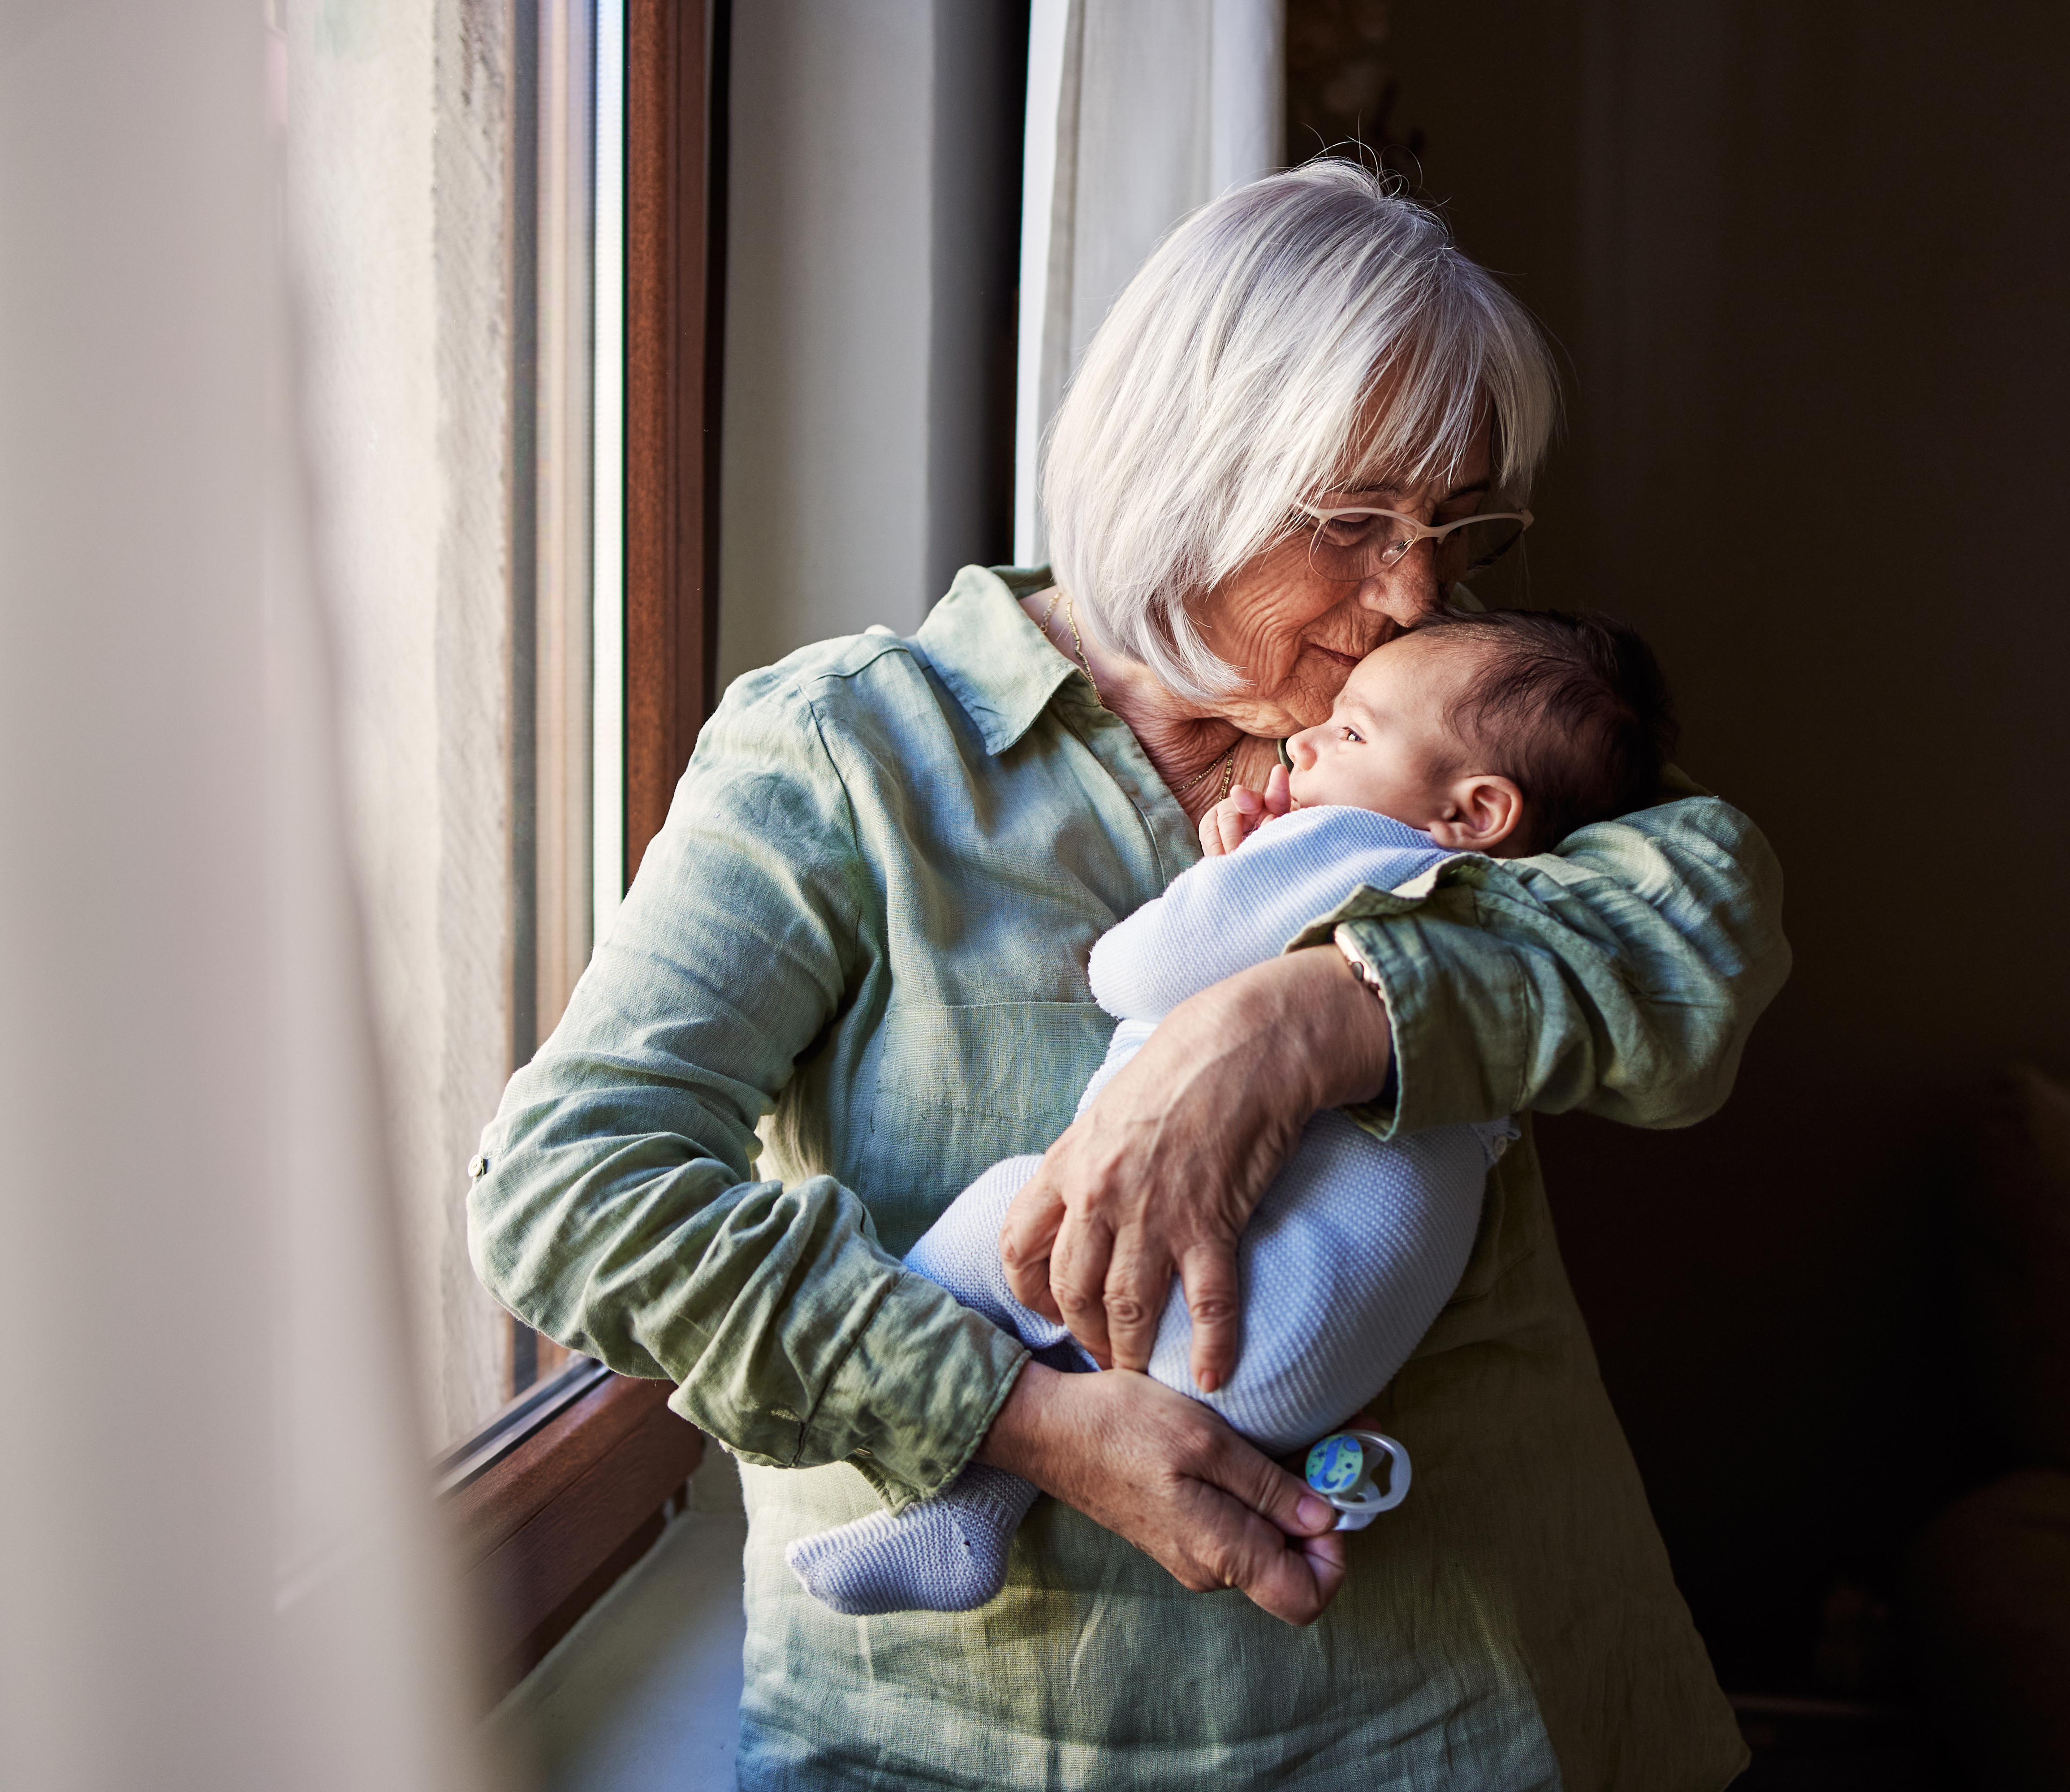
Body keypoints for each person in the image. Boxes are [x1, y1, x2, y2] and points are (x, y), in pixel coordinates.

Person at [469, 161, 1788, 1789]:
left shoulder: (1427, 726)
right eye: (1360, 521)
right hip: (974, 1741)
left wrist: (1316, 1016)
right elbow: (567, 1197)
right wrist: (1010, 1420)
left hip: (1468, 1715)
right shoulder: (853, 756)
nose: (1419, 589)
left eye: (1453, 525)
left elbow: (1706, 912)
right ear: (1189, 465)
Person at [784, 611, 1675, 1617]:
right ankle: (975, 1515)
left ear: (1473, 810)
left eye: (1352, 734)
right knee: (1089, 1311)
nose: (1307, 742)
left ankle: (953, 1460)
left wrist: (1231, 873)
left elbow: (1136, 968)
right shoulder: (1504, 895)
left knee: (1012, 1219)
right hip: (1309, 1375)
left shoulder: (1355, 844)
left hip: (1229, 1324)